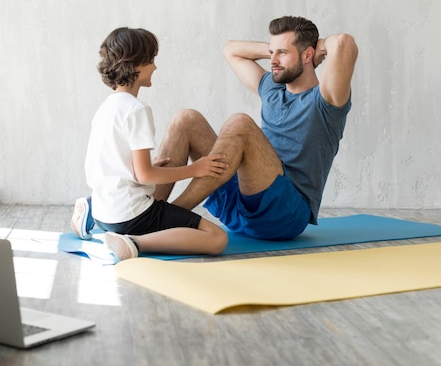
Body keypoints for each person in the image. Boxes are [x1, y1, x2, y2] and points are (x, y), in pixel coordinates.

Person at [151, 15, 358, 240]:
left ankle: (168, 217)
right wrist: (278, 49)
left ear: (307, 54)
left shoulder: (326, 100)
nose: (273, 60)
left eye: (283, 53)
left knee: (240, 124)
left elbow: (343, 42)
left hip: (285, 215)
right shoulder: (272, 89)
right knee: (185, 119)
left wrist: (320, 47)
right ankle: (147, 212)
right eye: (272, 53)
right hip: (242, 202)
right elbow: (230, 49)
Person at [71, 27, 229, 261]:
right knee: (217, 238)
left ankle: (91, 211)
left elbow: (110, 160)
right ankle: (133, 242)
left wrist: (147, 165)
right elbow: (144, 176)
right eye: (151, 60)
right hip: (130, 216)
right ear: (136, 65)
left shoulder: (106, 108)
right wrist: (196, 169)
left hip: (106, 212)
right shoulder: (137, 110)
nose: (155, 66)